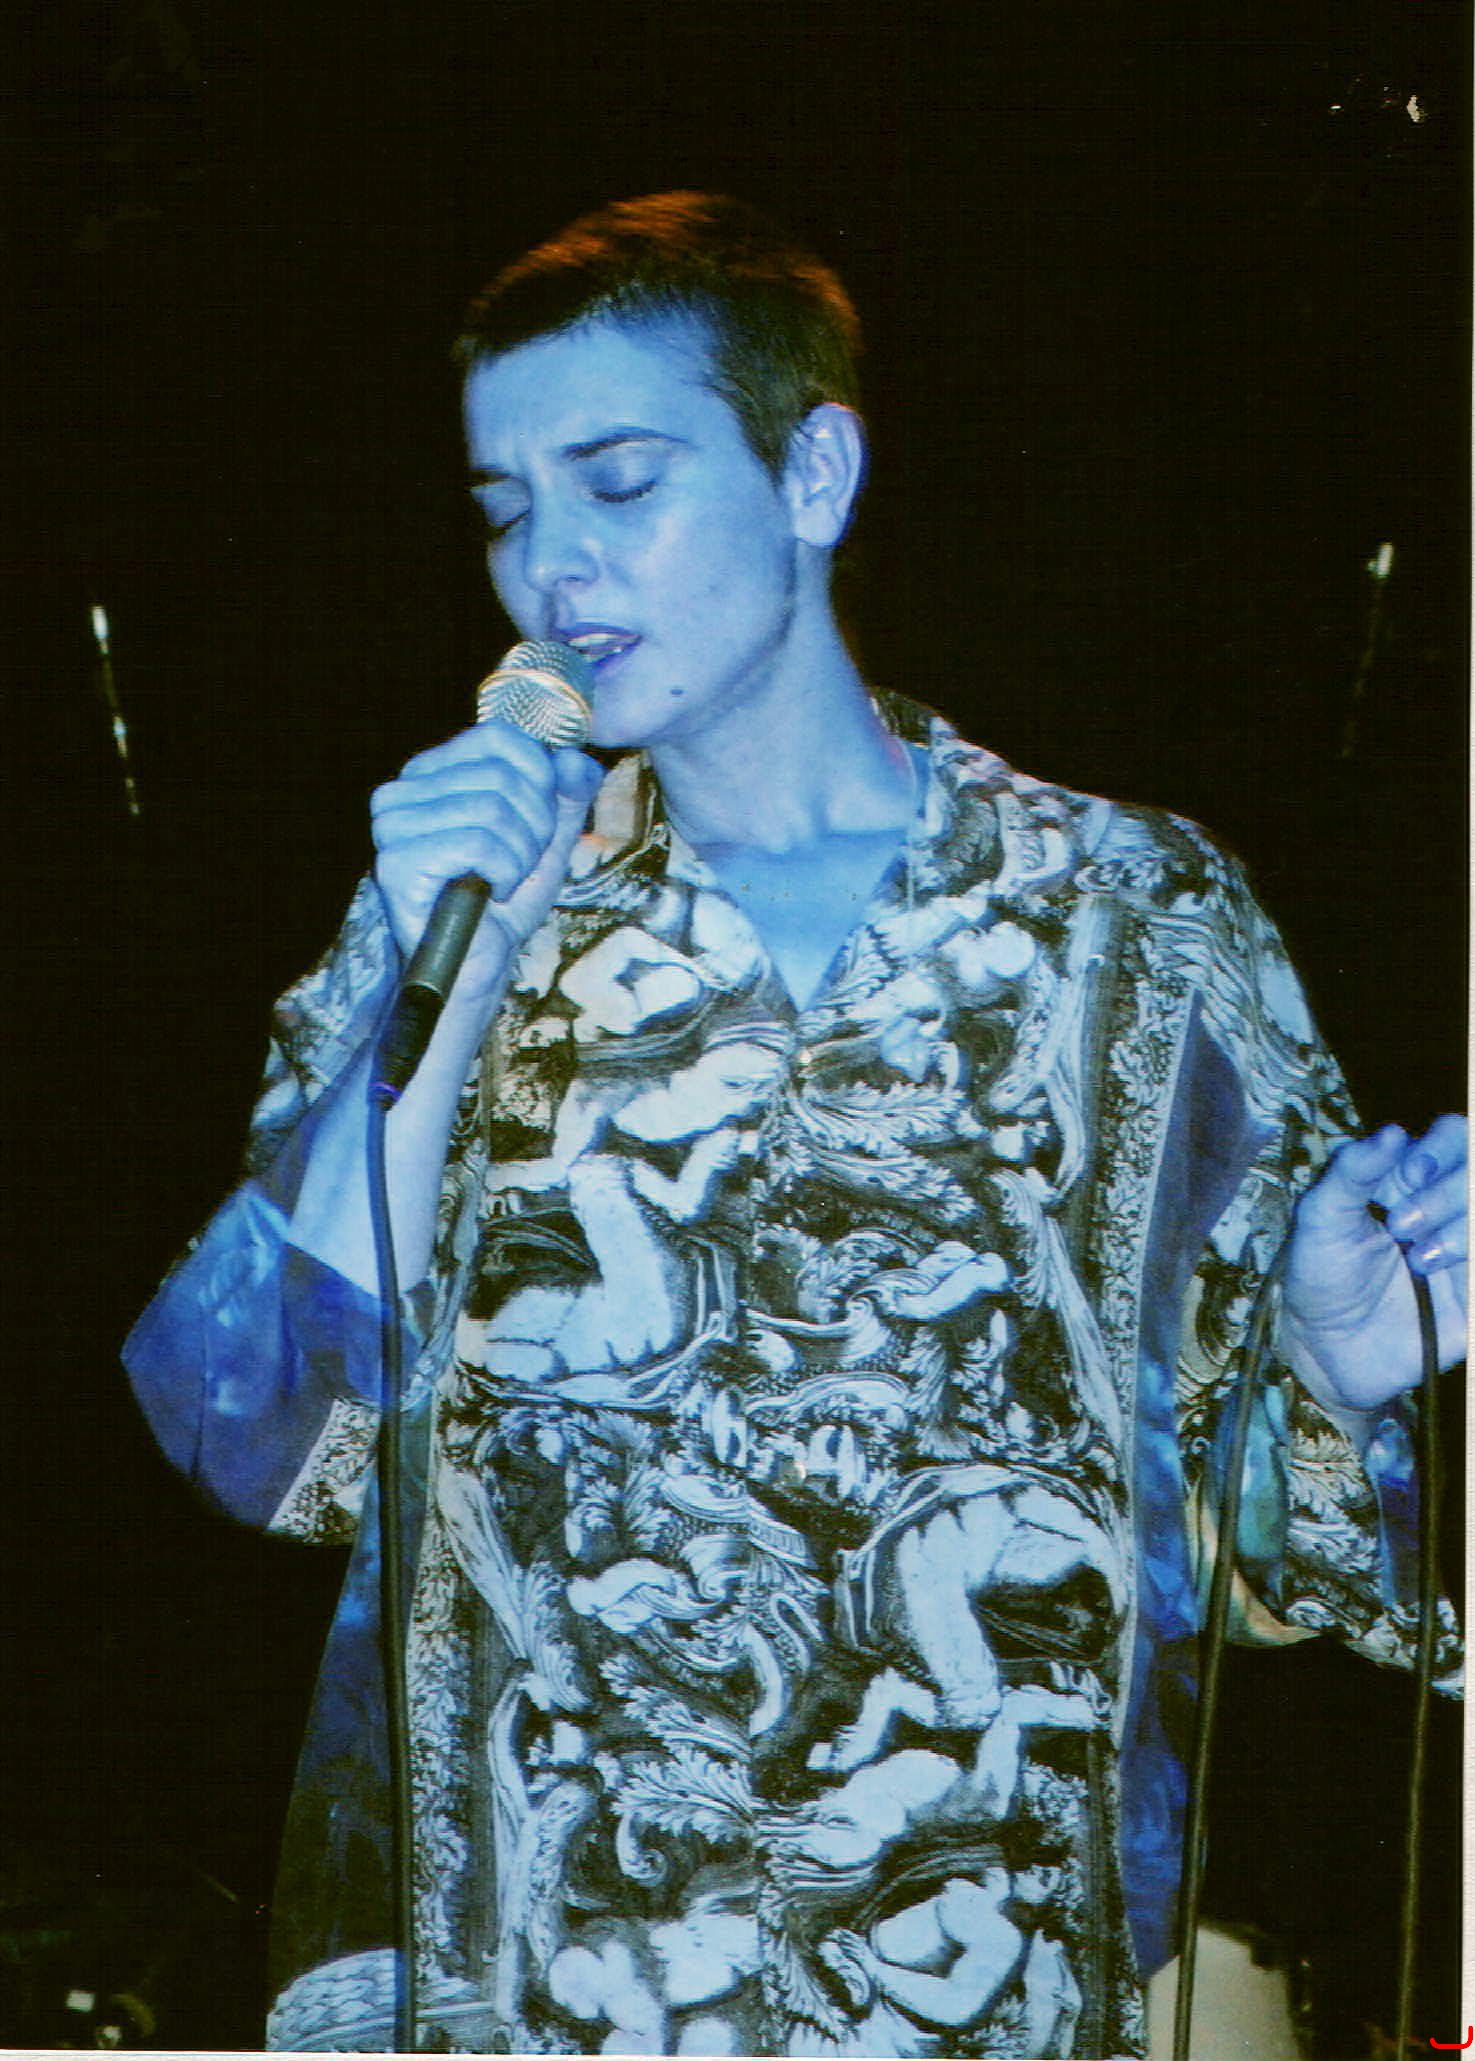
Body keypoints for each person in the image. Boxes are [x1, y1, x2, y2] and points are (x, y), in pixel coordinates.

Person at [124, 193, 1465, 2058]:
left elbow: (1260, 1565)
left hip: (969, 1970)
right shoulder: (460, 909)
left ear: (813, 472)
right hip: (553, 1978)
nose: (552, 570)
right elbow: (258, 1434)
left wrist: (1330, 1354)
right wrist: (458, 975)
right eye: (507, 510)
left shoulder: (1132, 917)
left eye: (619, 483)